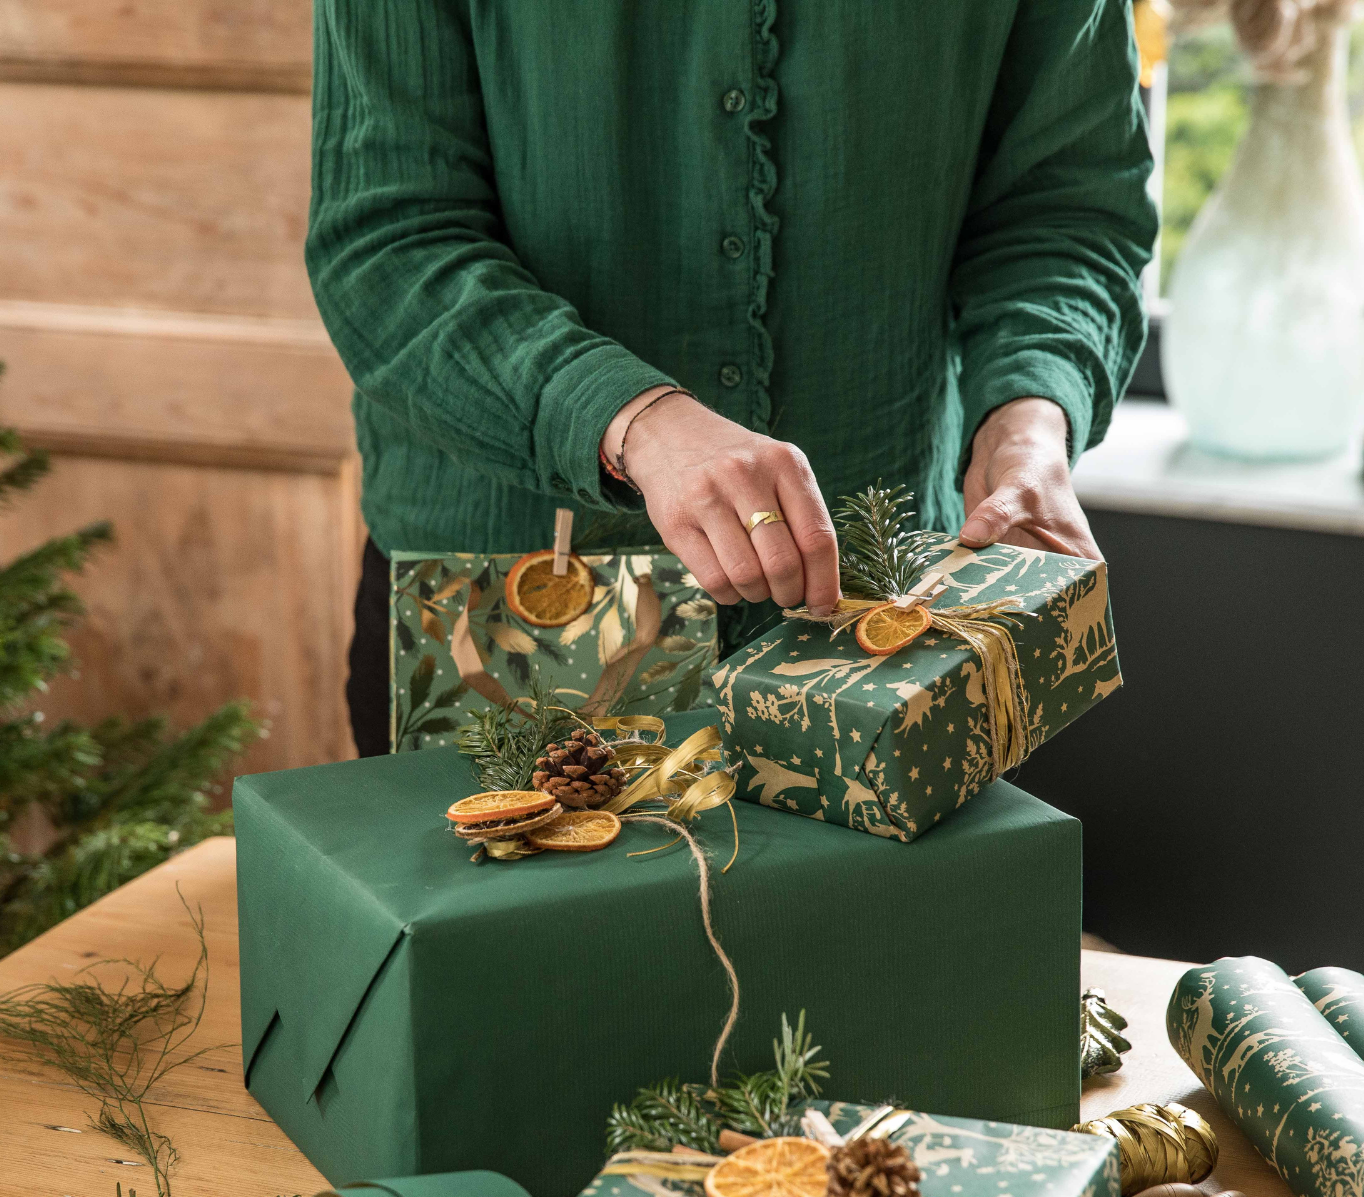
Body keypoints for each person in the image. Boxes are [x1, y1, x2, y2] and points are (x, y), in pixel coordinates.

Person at [307, 3, 1157, 758]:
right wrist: (630, 416)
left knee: (879, 941)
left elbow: (1064, 208)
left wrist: (1029, 416)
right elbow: (388, 241)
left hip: (888, 604)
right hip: (505, 609)